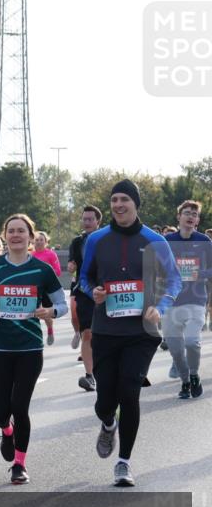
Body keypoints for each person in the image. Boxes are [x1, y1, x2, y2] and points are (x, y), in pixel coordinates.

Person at [80, 179, 181, 487]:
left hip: (142, 331)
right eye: (114, 200)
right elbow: (85, 277)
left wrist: (160, 307)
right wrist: (93, 291)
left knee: (130, 391)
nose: (118, 204)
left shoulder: (154, 240)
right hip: (107, 329)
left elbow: (174, 280)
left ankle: (123, 463)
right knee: (104, 401)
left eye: (125, 199)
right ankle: (108, 423)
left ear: (136, 204)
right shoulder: (97, 239)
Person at [0, 214, 66, 484]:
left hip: (30, 348)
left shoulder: (42, 270)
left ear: (31, 237)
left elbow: (61, 304)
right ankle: (6, 431)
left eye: (21, 231)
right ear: (5, 236)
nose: (16, 235)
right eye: (11, 231)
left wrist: (50, 311)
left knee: (20, 407)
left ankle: (19, 464)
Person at [164, 200, 212, 398]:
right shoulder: (166, 241)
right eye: (187, 212)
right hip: (171, 302)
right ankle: (185, 381)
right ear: (179, 217)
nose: (191, 216)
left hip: (196, 299)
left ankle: (193, 375)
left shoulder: (205, 241)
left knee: (192, 342)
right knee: (176, 350)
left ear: (197, 220)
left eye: (194, 213)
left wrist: (198, 273)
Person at [68, 205, 103, 390]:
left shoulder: (106, 238)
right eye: (84, 219)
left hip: (106, 291)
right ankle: (89, 376)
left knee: (105, 334)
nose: (87, 222)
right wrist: (71, 267)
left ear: (98, 221)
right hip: (84, 290)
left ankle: (107, 371)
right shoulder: (77, 241)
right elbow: (72, 263)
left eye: (90, 219)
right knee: (87, 333)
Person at [31, 231, 62, 346]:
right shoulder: (30, 255)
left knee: (46, 314)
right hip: (32, 289)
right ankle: (33, 335)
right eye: (37, 240)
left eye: (41, 240)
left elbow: (58, 271)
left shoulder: (51, 254)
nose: (39, 242)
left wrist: (45, 274)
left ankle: (50, 330)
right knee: (32, 313)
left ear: (46, 242)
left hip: (46, 289)